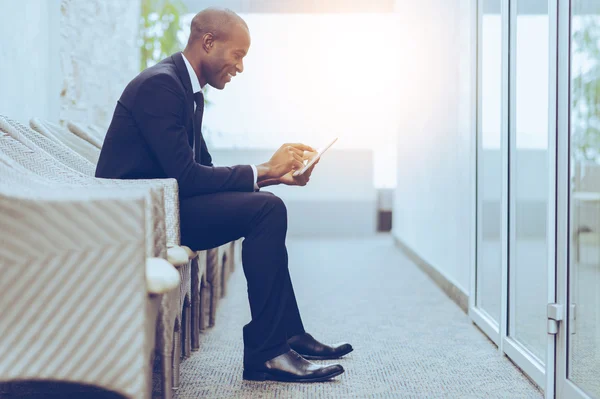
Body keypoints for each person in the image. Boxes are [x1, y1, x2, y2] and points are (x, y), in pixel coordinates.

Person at [96, 7, 352, 383]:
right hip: (138, 219)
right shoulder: (161, 86)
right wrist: (264, 168)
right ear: (208, 42)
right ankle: (267, 353)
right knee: (267, 212)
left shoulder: (185, 89)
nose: (241, 68)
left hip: (165, 208)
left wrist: (275, 177)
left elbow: (205, 172)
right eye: (238, 55)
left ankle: (287, 334)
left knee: (267, 206)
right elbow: (188, 177)